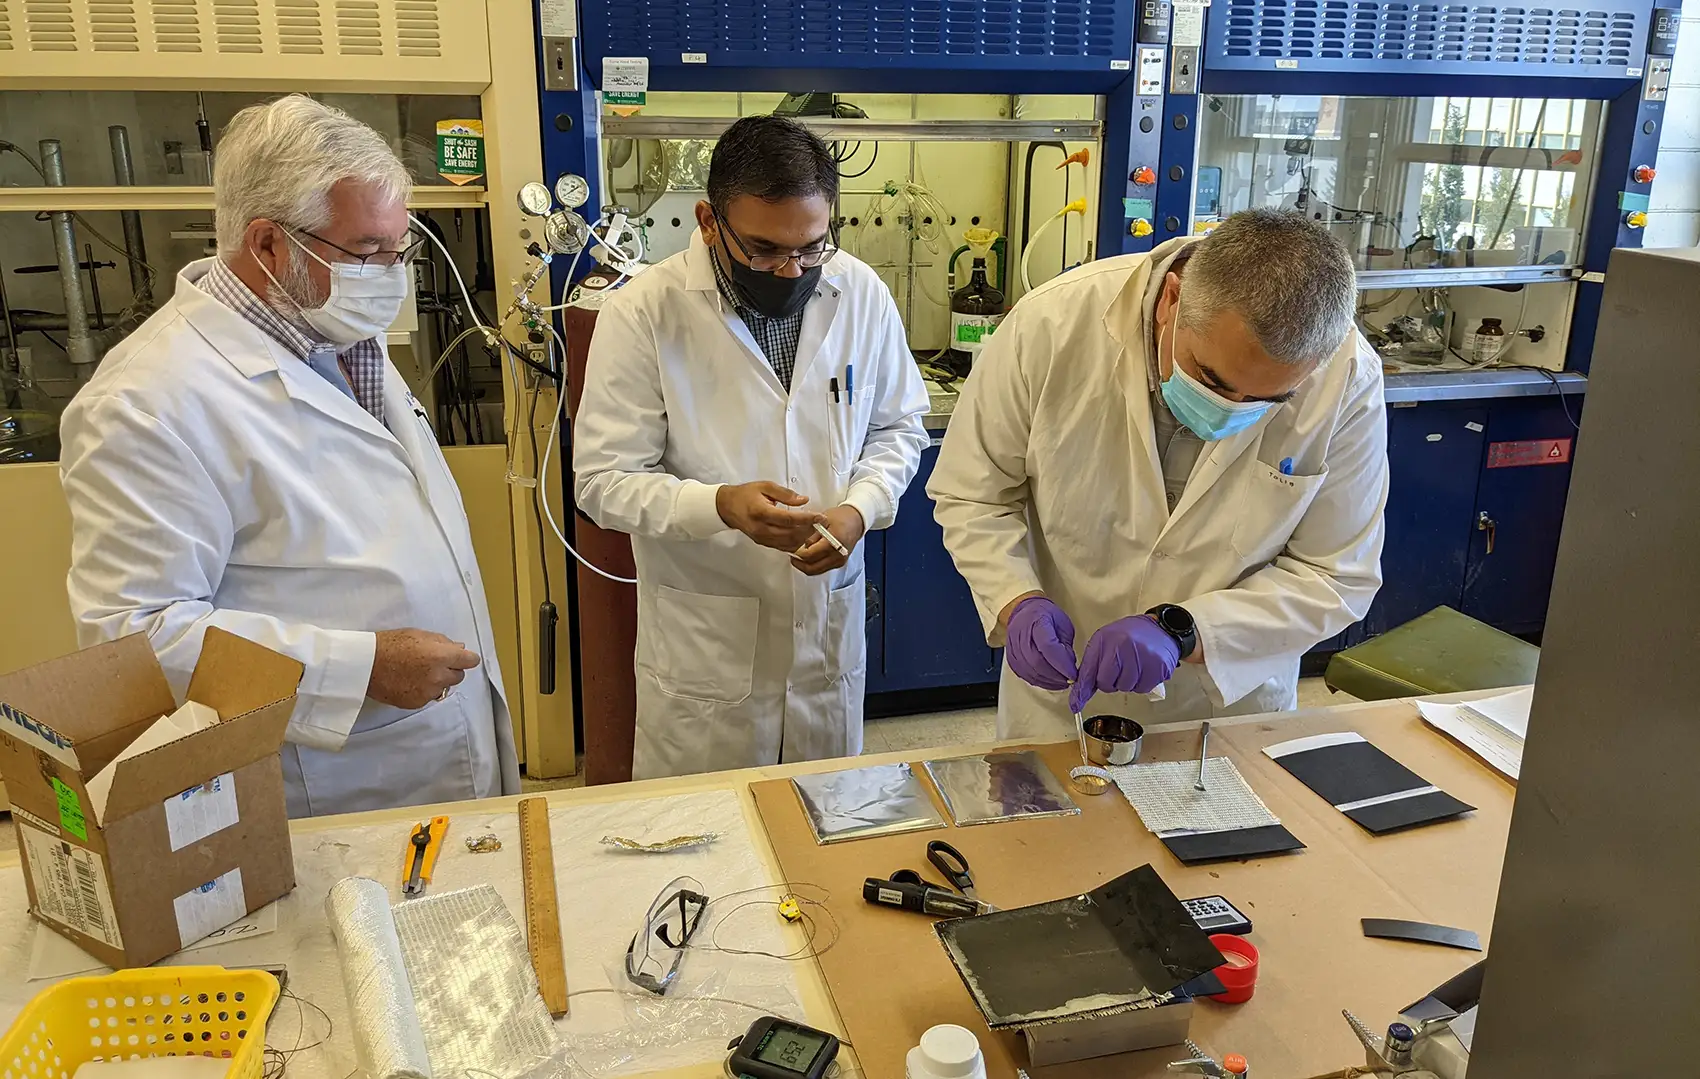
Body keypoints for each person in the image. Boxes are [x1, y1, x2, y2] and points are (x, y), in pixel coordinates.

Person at [59, 95, 518, 816]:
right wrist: (358, 669)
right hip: (332, 779)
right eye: (367, 252)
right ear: (270, 244)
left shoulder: (335, 333)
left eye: (399, 250)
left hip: (437, 742)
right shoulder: (146, 402)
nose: (390, 275)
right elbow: (136, 640)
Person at [929, 209, 1387, 739]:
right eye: (1211, 378)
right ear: (1172, 299)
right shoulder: (1051, 325)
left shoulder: (1346, 376)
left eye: (1270, 400)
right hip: (1060, 696)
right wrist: (1017, 599)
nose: (1231, 409)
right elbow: (973, 494)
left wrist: (1186, 632)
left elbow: (1335, 574)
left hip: (1223, 707)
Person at [573, 114, 929, 779]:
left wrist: (860, 509)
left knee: (823, 820)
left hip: (825, 635)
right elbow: (601, 482)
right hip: (707, 653)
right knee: (705, 834)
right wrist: (720, 506)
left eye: (812, 247)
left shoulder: (861, 293)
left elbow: (898, 427)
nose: (791, 270)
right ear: (709, 222)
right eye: (764, 250)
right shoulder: (645, 311)